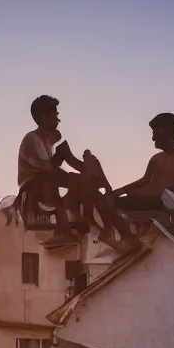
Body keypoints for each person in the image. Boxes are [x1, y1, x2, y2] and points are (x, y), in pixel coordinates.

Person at [18, 96, 139, 252]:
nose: (58, 119)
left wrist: (87, 169)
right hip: (33, 195)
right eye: (55, 114)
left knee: (86, 185)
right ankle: (107, 231)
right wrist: (77, 176)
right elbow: (47, 171)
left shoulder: (46, 141)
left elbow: (56, 169)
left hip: (47, 188)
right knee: (78, 181)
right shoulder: (32, 140)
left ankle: (112, 232)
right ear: (44, 117)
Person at [114, 113, 174, 211]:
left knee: (162, 195)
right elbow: (144, 181)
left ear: (166, 131)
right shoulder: (156, 159)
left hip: (171, 204)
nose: (153, 138)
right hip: (150, 201)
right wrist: (120, 191)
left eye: (154, 133)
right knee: (113, 201)